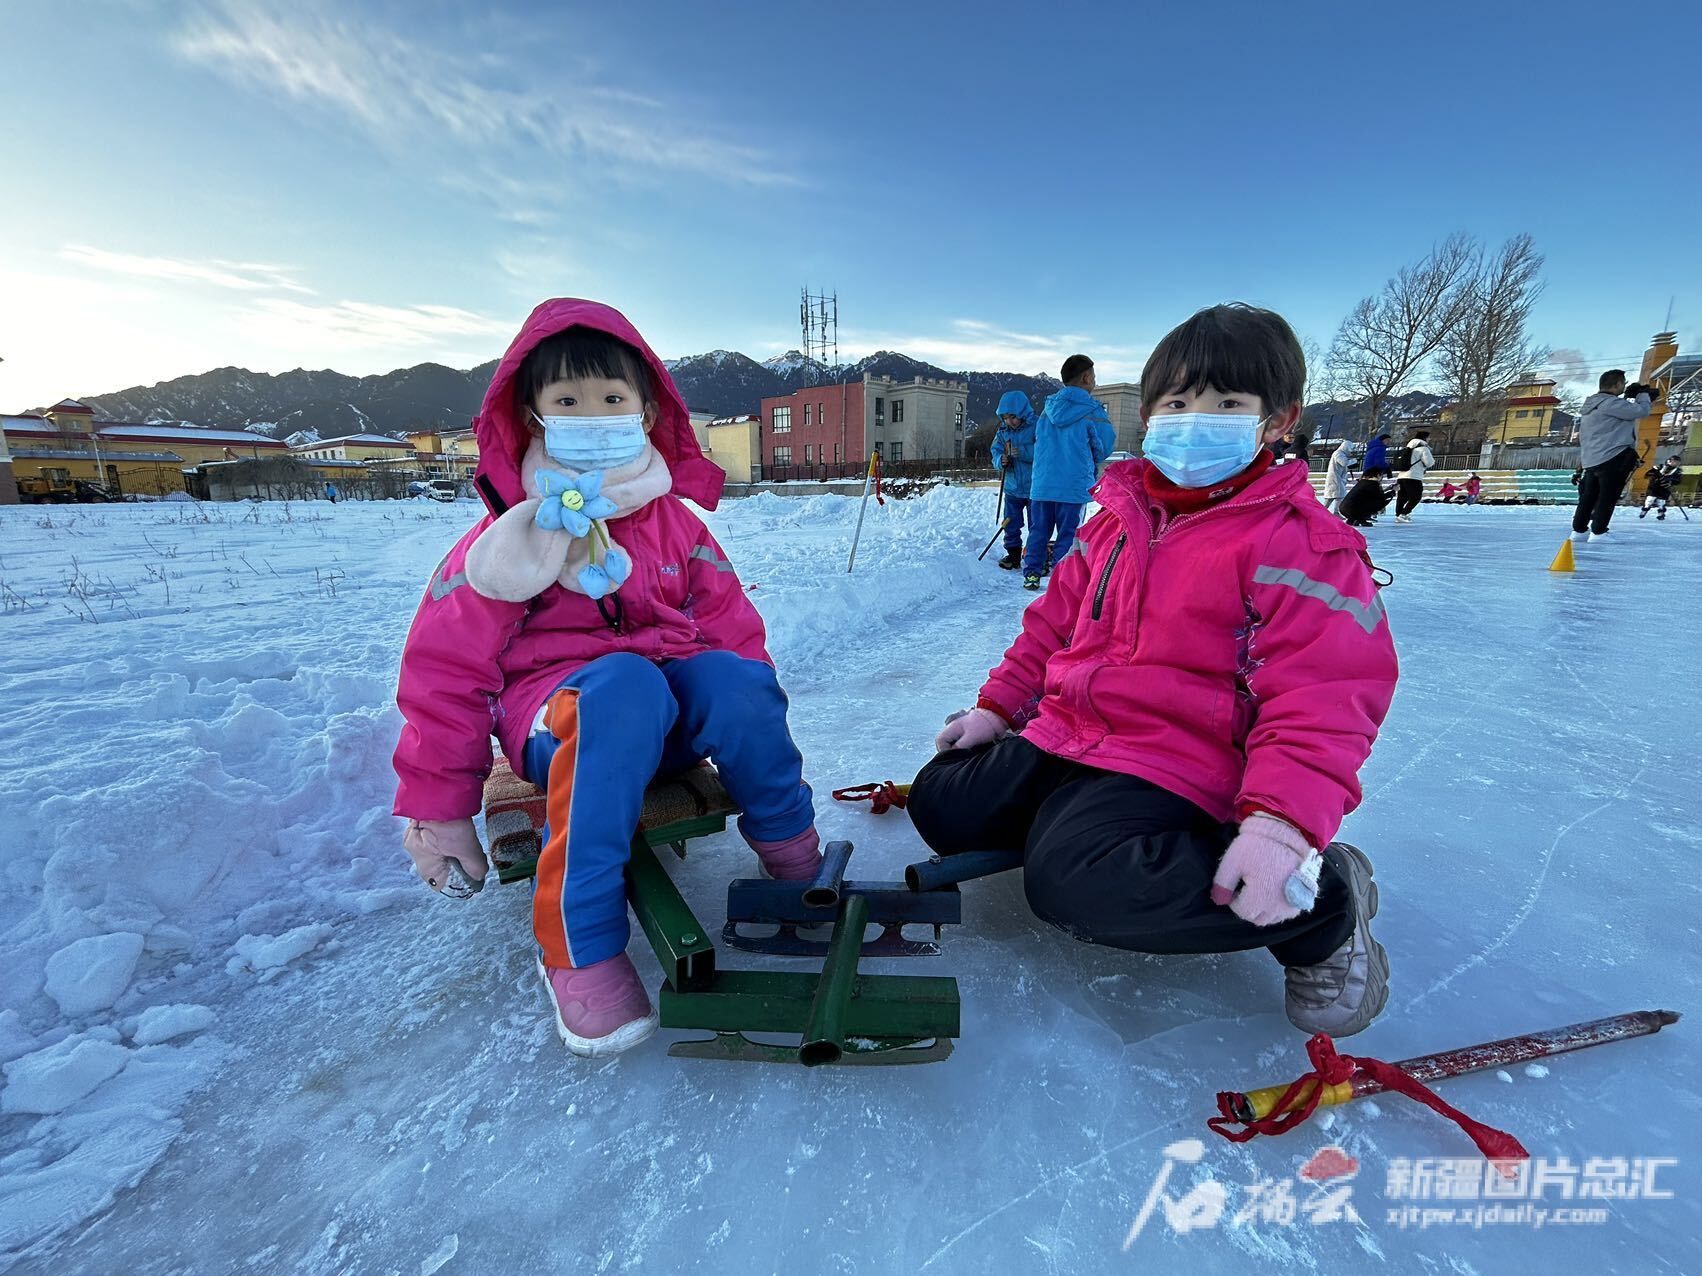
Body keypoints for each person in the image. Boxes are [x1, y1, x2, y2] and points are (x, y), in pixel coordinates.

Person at [908, 303, 1399, 1037]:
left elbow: (1323, 699)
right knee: (941, 801)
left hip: (1180, 763)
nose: (1196, 419)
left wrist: (1283, 829)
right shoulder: (1115, 520)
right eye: (1178, 402)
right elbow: (1049, 628)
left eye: (1227, 403)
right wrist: (999, 709)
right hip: (1069, 735)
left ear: (1277, 419)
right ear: (1149, 413)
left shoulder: (1299, 545)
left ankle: (1325, 901)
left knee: (1071, 883)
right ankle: (1072, 824)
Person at [392, 299, 822, 1058]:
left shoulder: (677, 525)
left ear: (647, 409)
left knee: (730, 675)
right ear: (533, 413)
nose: (593, 416)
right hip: (561, 722)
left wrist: (746, 704)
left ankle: (792, 854)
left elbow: (731, 626)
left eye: (612, 400)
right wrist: (441, 810)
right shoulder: (507, 544)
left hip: (667, 719)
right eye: (568, 402)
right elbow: (445, 674)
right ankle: (579, 944)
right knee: (622, 687)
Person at [1025, 355, 1115, 590]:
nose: (1094, 381)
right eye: (1093, 377)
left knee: (1038, 531)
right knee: (1068, 535)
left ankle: (1032, 573)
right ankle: (1060, 579)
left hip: (1042, 485)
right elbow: (1104, 446)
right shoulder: (1092, 410)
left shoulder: (1047, 410)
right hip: (1073, 486)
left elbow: (1037, 442)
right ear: (1086, 378)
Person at [1571, 370, 1657, 542]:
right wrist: (1643, 395)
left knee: (1589, 496)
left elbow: (1617, 414)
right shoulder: (1610, 403)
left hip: (1592, 458)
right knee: (1607, 496)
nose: (1624, 387)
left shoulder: (1593, 405)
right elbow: (1641, 411)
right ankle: (1599, 532)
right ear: (1617, 384)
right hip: (1612, 456)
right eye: (1623, 384)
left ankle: (1579, 530)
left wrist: (1627, 398)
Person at [990, 391, 1038, 570]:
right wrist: (1000, 460)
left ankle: (1036, 556)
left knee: (1037, 525)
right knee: (1011, 522)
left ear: (1023, 412)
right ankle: (1013, 554)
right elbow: (995, 451)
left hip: (1035, 488)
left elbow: (1045, 450)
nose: (1009, 421)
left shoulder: (1037, 426)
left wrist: (1023, 452)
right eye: (1005, 418)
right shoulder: (1003, 432)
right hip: (1012, 488)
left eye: (1013, 417)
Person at [1392, 430, 1435, 523]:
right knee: (1416, 497)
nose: (1429, 439)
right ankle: (1404, 514)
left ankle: (1399, 514)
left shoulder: (1407, 448)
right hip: (1414, 476)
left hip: (1402, 476)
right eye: (1428, 437)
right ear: (1425, 438)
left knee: (1402, 497)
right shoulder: (1423, 448)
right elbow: (1429, 463)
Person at [1641, 456, 1681, 520]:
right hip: (1654, 486)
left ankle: (1661, 514)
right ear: (1669, 461)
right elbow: (1647, 475)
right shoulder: (1659, 467)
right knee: (1650, 499)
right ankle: (1644, 510)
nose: (1676, 463)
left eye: (1677, 462)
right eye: (1674, 461)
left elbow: (1678, 481)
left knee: (1661, 501)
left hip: (1665, 488)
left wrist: (1670, 481)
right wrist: (1655, 474)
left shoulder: (1677, 471)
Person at [1322, 439, 1353, 514]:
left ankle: (1329, 511)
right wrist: (1353, 461)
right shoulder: (1338, 454)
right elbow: (1344, 463)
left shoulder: (1341, 454)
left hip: (1337, 478)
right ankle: (1331, 512)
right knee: (1337, 495)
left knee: (1335, 495)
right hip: (1335, 478)